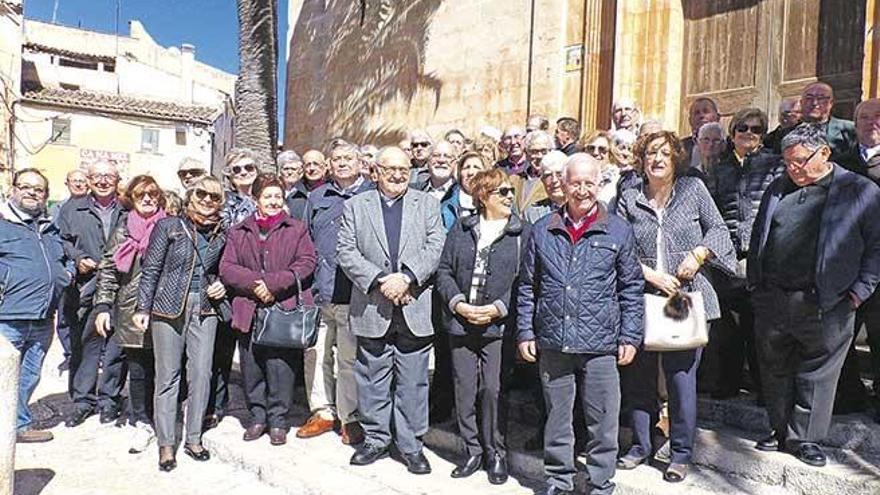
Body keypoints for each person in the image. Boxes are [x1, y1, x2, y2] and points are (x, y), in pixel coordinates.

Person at [748, 124, 880, 466]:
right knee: (774, 368)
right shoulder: (778, 188)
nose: (793, 169)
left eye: (800, 162)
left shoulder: (860, 190)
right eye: (787, 163)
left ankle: (804, 438)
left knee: (818, 374)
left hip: (828, 301)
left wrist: (858, 293)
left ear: (824, 153)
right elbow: (759, 234)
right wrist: (756, 285)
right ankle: (781, 431)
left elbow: (877, 247)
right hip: (774, 298)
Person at [517, 153, 643, 495]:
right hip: (554, 340)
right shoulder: (543, 230)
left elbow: (630, 287)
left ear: (600, 183)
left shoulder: (618, 229)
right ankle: (559, 480)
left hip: (601, 341)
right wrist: (526, 331)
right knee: (558, 418)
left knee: (603, 419)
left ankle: (601, 481)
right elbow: (528, 285)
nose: (583, 190)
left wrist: (631, 335)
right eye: (576, 182)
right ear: (563, 183)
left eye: (590, 182)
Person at [615, 131, 736, 483]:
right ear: (641, 159)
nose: (657, 159)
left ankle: (680, 453)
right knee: (638, 378)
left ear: (676, 158)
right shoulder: (628, 196)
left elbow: (719, 230)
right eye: (651, 153)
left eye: (665, 153)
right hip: (640, 296)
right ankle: (640, 445)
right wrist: (650, 274)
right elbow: (615, 244)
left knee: (681, 381)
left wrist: (698, 255)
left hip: (686, 297)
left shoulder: (693, 191)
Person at [337, 146, 446, 475]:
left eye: (404, 168)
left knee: (413, 382)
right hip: (373, 303)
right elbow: (346, 250)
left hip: (413, 304)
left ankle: (411, 445)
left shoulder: (427, 203)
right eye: (390, 169)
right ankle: (376, 439)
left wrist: (408, 278)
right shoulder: (356, 206)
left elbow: (435, 244)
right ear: (376, 172)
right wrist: (381, 281)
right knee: (372, 378)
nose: (399, 175)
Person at [435, 169, 529, 484]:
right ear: (483, 196)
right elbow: (445, 271)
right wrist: (458, 303)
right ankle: (472, 450)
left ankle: (496, 452)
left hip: (497, 327)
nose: (508, 197)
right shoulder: (462, 229)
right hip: (461, 323)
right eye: (501, 192)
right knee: (463, 388)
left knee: (492, 389)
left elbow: (525, 279)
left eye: (510, 192)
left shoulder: (521, 233)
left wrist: (497, 308)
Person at [135, 175, 228, 471]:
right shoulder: (169, 226)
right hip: (168, 307)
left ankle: (193, 438)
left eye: (214, 196)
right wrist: (143, 307)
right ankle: (166, 443)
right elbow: (151, 268)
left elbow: (226, 269)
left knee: (201, 374)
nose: (207, 200)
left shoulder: (222, 232)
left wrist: (221, 284)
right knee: (168, 376)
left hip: (205, 308)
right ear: (191, 195)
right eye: (202, 193)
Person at [220, 174, 317, 446]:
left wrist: (273, 284)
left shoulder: (296, 229)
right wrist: (255, 284)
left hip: (281, 306)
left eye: (277, 196)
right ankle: (258, 417)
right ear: (256, 200)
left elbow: (307, 262)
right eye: (268, 196)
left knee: (280, 367)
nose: (273, 201)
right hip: (248, 308)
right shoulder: (239, 231)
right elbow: (227, 267)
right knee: (252, 366)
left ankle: (278, 420)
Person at [299, 140, 374, 444]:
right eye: (337, 159)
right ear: (329, 165)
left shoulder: (371, 195)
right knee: (315, 355)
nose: (342, 163)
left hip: (353, 294)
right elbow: (304, 242)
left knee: (348, 358)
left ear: (360, 163)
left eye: (348, 158)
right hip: (320, 291)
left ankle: (350, 417)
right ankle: (322, 411)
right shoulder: (317, 197)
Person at [707, 109, 783, 401]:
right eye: (742, 128)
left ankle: (764, 389)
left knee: (759, 327)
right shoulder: (720, 168)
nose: (748, 133)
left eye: (755, 129)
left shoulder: (774, 165)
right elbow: (711, 209)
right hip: (726, 257)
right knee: (728, 328)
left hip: (760, 258)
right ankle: (728, 382)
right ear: (732, 132)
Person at [93, 175, 167, 454]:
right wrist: (103, 306)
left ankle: (162, 417)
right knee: (137, 369)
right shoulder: (124, 228)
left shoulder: (169, 225)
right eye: (140, 195)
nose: (147, 198)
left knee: (165, 367)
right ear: (132, 199)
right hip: (130, 309)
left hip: (163, 308)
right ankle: (140, 420)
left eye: (152, 193)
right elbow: (109, 270)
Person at [0, 169, 73, 443]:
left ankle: (17, 426)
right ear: (14, 189)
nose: (32, 192)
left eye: (38, 189)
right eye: (26, 187)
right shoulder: (3, 223)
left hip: (43, 317)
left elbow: (63, 259)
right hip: (8, 317)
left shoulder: (48, 227)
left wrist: (68, 273)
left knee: (28, 376)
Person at [57, 160, 127, 428]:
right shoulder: (72, 208)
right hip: (85, 285)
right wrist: (77, 258)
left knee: (115, 348)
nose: (103, 180)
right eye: (97, 175)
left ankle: (109, 399)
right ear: (89, 179)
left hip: (119, 286)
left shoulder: (126, 209)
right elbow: (59, 240)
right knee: (85, 344)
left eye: (108, 175)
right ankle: (82, 401)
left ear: (117, 179)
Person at [204, 148, 259, 430]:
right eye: (236, 169)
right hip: (225, 286)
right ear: (229, 175)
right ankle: (215, 406)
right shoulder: (221, 206)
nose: (243, 173)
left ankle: (258, 413)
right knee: (221, 351)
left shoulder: (268, 201)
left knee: (253, 355)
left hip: (257, 288)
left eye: (248, 167)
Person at [50, 168, 89, 372]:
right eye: (75, 180)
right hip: (67, 268)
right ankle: (70, 353)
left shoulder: (93, 208)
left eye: (83, 180)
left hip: (87, 270)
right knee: (65, 315)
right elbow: (57, 240)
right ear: (67, 183)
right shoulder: (58, 209)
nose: (79, 184)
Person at [799, 82, 856, 163]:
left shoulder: (849, 129)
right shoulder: (787, 133)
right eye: (809, 98)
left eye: (821, 98)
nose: (815, 103)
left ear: (831, 103)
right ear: (801, 102)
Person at [441, 151, 488, 230]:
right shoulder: (447, 207)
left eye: (476, 167)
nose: (470, 172)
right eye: (466, 167)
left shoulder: (497, 203)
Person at [511, 130, 552, 213]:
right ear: (526, 153)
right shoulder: (514, 179)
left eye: (544, 151)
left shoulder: (554, 182)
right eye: (534, 151)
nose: (539, 156)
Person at [522, 151, 567, 224]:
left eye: (559, 174)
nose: (554, 180)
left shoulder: (582, 208)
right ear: (542, 180)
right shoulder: (531, 213)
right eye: (548, 175)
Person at [682, 98, 721, 169]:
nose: (701, 116)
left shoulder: (728, 144)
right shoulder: (681, 147)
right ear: (690, 120)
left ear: (717, 117)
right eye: (697, 113)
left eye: (706, 111)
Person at [582, 130, 619, 204]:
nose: (595, 153)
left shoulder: (617, 180)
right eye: (591, 148)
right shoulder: (575, 177)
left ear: (610, 153)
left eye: (602, 149)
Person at [278, 150, 309, 220]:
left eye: (293, 169)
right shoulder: (275, 190)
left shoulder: (305, 194)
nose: (289, 172)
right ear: (280, 171)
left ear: (300, 172)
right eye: (286, 169)